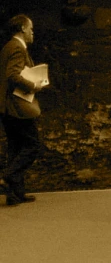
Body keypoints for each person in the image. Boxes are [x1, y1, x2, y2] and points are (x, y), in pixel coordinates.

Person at [0, 15, 47, 205]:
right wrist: (33, 85)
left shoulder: (8, 47)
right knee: (32, 145)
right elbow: (12, 75)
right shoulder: (17, 48)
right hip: (16, 105)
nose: (32, 32)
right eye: (31, 28)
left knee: (16, 146)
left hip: (5, 105)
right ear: (22, 28)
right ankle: (6, 178)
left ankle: (15, 194)